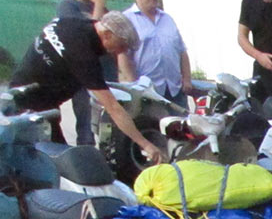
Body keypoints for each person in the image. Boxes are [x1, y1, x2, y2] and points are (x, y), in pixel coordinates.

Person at [10, 11, 164, 164]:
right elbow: (113, 108)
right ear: (107, 34)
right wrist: (144, 143)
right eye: (121, 45)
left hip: (22, 93)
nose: (120, 52)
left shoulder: (71, 21)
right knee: (60, 163)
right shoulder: (83, 55)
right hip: (30, 110)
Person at [119, 0, 193, 110]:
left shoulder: (167, 18)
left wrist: (187, 79)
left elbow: (182, 51)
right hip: (147, 93)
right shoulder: (127, 19)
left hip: (175, 90)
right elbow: (122, 55)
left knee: (181, 123)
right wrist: (133, 85)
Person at [56, 0, 108, 145]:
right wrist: (99, 6)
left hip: (104, 72)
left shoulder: (93, 5)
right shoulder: (68, 6)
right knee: (86, 125)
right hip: (83, 77)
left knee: (107, 124)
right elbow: (85, 36)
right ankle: (87, 154)